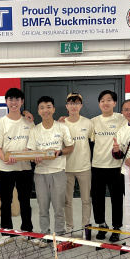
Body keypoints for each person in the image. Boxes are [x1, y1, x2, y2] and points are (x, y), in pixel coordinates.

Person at [0, 88, 34, 246]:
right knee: (5, 202)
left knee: (25, 202)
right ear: (6, 102)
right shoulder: (0, 122)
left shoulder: (29, 121)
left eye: (17, 99)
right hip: (5, 170)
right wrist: (5, 159)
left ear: (22, 102)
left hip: (25, 170)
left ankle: (27, 231)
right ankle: (7, 232)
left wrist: (28, 152)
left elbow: (33, 143)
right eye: (10, 99)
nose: (14, 102)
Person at [28, 96, 74, 239]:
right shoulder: (35, 130)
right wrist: (34, 157)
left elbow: (70, 147)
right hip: (40, 173)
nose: (45, 110)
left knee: (58, 208)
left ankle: (59, 235)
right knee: (43, 208)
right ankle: (45, 235)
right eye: (42, 108)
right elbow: (30, 151)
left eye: (48, 107)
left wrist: (59, 152)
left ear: (53, 109)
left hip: (58, 172)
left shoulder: (62, 127)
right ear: (38, 111)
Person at [90, 90, 126, 242]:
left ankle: (117, 228)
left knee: (116, 199)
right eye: (102, 100)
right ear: (99, 104)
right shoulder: (93, 122)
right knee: (97, 198)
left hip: (116, 166)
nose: (106, 103)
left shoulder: (121, 118)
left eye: (109, 100)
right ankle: (101, 225)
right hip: (97, 165)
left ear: (115, 103)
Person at [62, 92, 93, 234]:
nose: (73, 106)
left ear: (81, 105)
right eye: (71, 103)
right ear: (66, 106)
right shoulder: (61, 123)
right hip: (66, 167)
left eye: (76, 103)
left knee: (86, 200)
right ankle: (69, 226)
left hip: (84, 167)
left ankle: (86, 226)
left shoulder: (88, 123)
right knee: (67, 200)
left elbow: (94, 142)